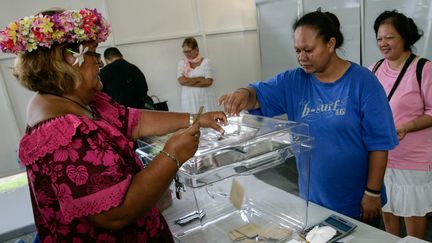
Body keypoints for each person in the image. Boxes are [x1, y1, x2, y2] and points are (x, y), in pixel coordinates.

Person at [0, 8, 227, 242]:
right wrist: (172, 154)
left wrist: (195, 119)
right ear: (69, 59)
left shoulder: (83, 100)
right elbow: (115, 214)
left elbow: (133, 121)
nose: (99, 64)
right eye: (93, 55)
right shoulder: (65, 135)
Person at [219, 10, 398, 225]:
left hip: (356, 200)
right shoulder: (294, 81)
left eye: (309, 50)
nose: (302, 57)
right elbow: (257, 94)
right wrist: (243, 94)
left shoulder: (363, 82)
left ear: (331, 44)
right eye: (297, 50)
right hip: (312, 200)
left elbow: (379, 144)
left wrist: (372, 193)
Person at [370, 10, 432, 239]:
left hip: (412, 158)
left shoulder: (423, 68)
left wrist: (408, 126)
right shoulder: (374, 68)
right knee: (388, 207)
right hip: (382, 155)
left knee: (413, 213)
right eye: (379, 38)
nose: (383, 43)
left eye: (389, 37)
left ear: (404, 37)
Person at [177, 37, 218, 113]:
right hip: (189, 101)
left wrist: (188, 82)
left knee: (207, 120)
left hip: (205, 99)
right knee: (192, 122)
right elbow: (181, 81)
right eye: (185, 51)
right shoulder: (182, 63)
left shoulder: (206, 62)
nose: (187, 54)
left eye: (189, 51)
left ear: (197, 49)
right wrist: (200, 79)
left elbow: (208, 82)